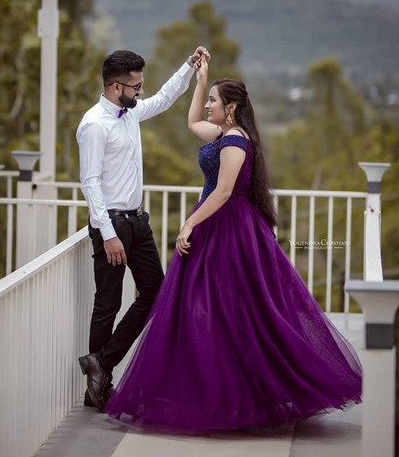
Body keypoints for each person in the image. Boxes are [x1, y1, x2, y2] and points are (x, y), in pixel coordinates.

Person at [106, 56, 362, 432]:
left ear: (232, 108)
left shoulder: (236, 140)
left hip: (228, 230)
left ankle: (247, 393)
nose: (208, 105)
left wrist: (190, 222)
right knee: (208, 308)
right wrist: (200, 80)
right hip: (214, 226)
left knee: (236, 310)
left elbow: (224, 191)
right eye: (208, 98)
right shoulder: (223, 134)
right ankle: (207, 391)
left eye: (213, 100)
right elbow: (193, 122)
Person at [77, 46, 210, 411]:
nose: (140, 92)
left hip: (138, 222)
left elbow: (165, 98)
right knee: (108, 304)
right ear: (116, 86)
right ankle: (98, 391)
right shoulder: (93, 124)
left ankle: (101, 362)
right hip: (113, 226)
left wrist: (188, 66)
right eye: (136, 87)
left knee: (157, 291)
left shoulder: (131, 113)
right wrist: (108, 234)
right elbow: (89, 183)